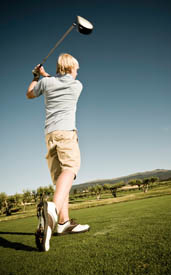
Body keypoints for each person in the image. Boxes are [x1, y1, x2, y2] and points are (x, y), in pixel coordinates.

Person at [26, 53, 90, 252]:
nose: (77, 72)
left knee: (60, 179)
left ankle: (63, 223)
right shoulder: (76, 86)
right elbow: (62, 80)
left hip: (49, 135)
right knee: (70, 169)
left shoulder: (47, 83)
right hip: (66, 134)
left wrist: (37, 76)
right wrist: (44, 75)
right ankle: (53, 211)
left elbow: (30, 93)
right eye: (76, 68)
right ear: (71, 68)